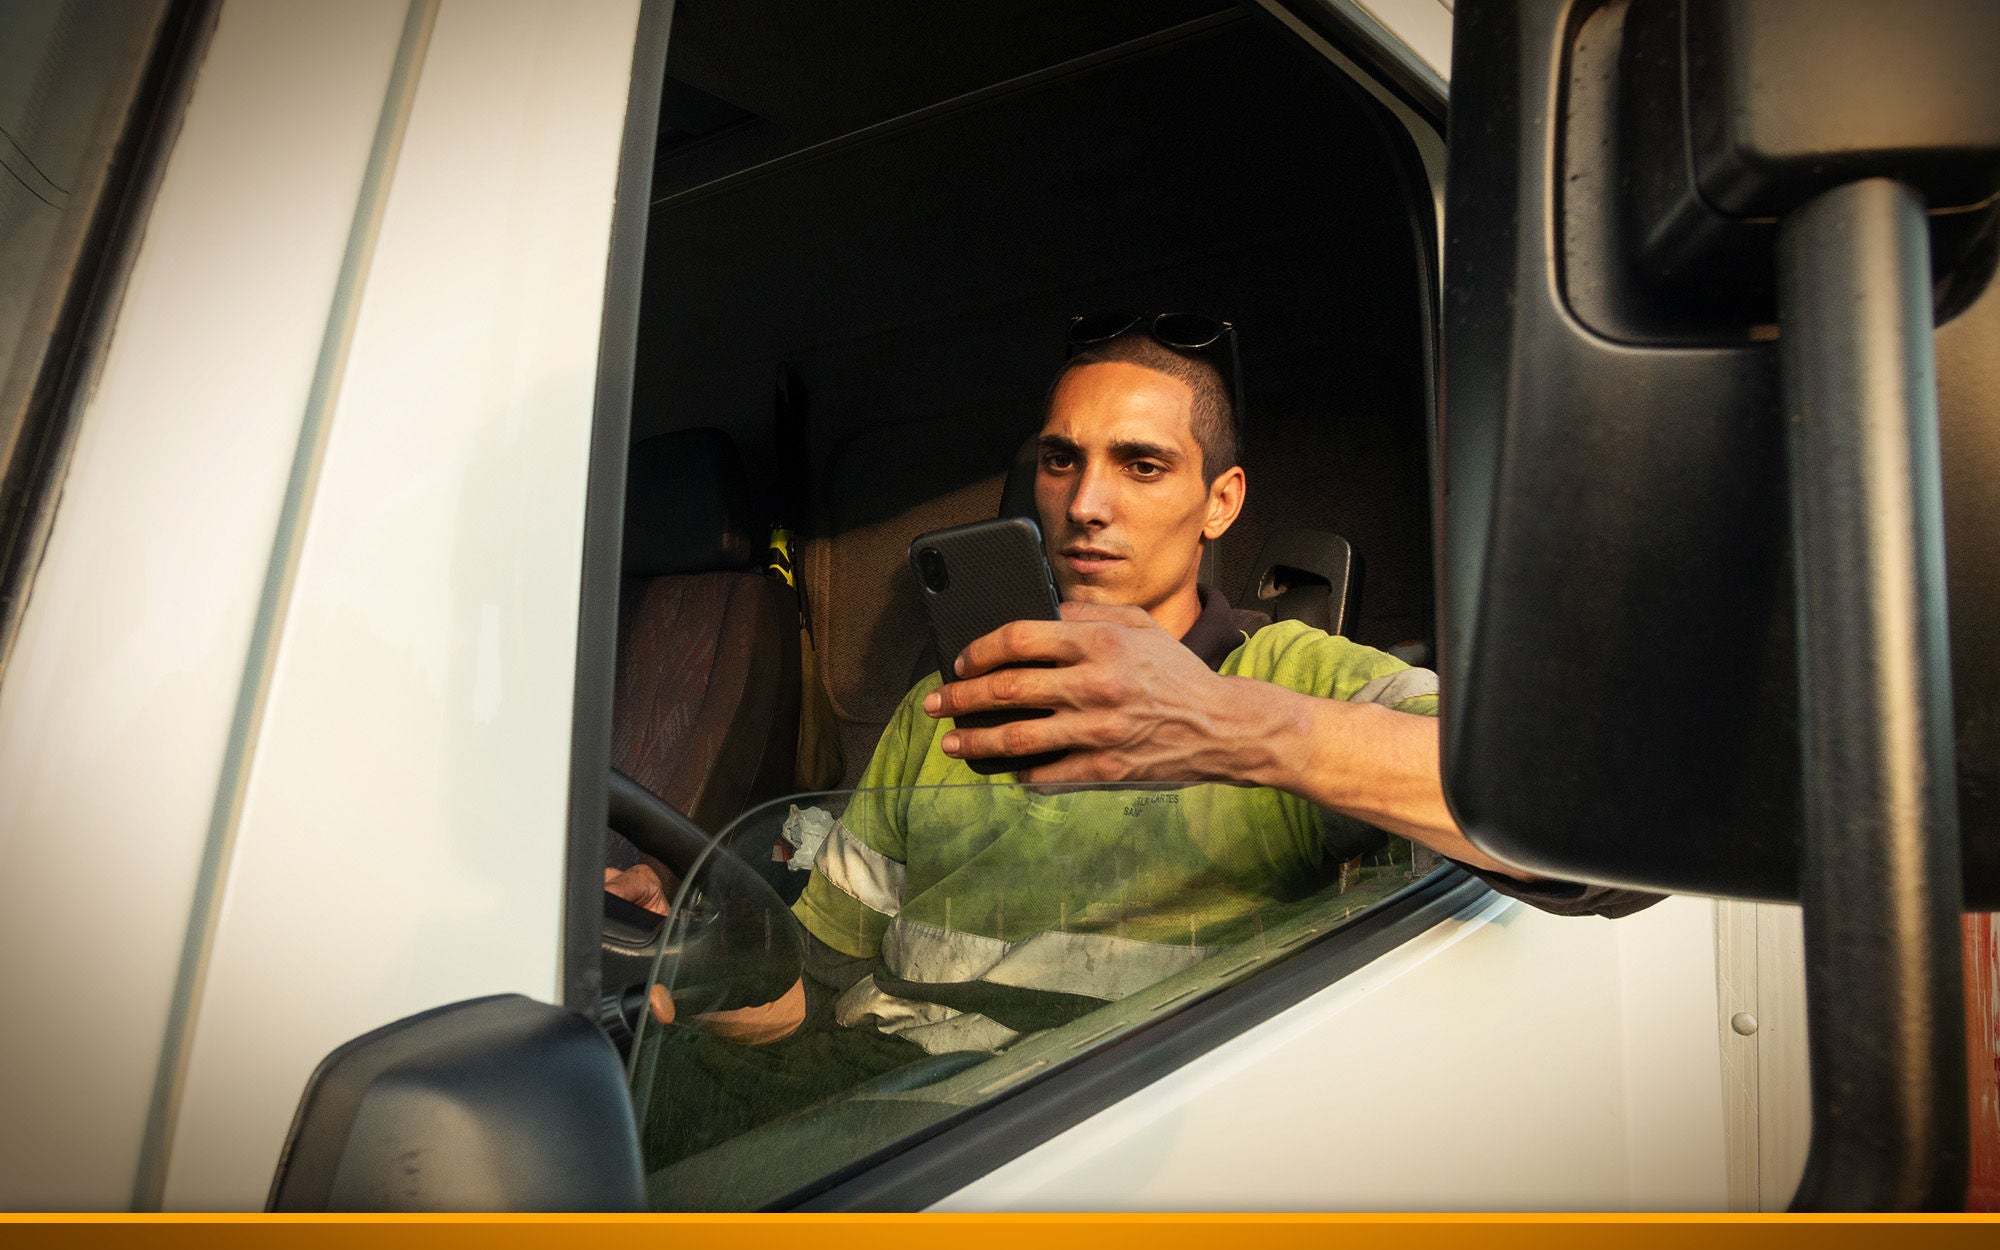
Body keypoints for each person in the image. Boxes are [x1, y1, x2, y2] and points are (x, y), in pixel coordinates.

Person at [632, 317, 1653, 1167]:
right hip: (866, 1098)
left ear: (1220, 501)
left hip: (1081, 1119)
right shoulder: (947, 700)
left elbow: (1586, 812)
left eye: (1141, 464)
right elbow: (817, 985)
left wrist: (1222, 723)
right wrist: (728, 953)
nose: (1085, 503)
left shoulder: (1297, 676)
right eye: (1060, 460)